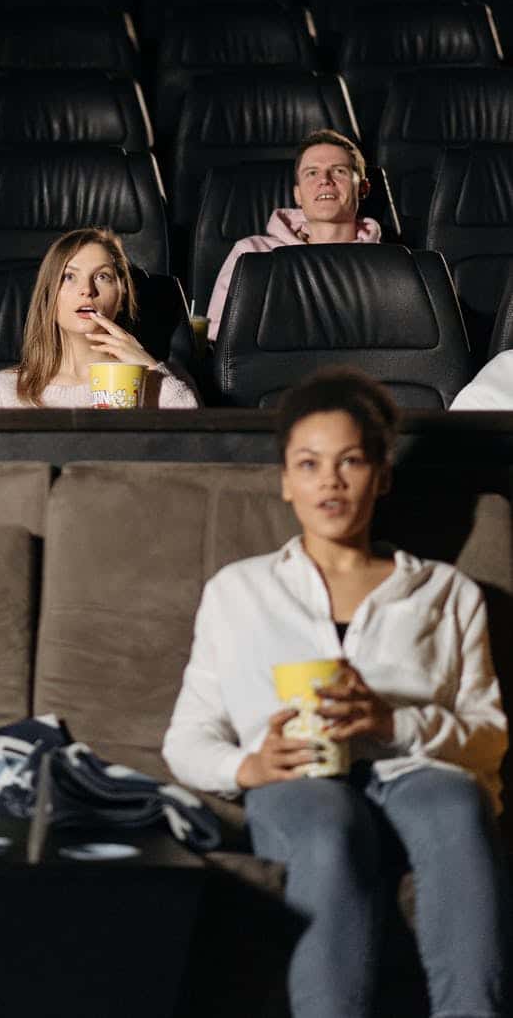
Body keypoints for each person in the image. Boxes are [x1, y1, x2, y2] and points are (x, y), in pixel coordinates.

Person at [163, 367, 510, 1018]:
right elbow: (186, 739)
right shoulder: (239, 591)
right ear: (286, 482)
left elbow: (489, 733)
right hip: (301, 785)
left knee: (459, 805)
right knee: (329, 825)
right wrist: (247, 766)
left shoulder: (445, 592)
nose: (330, 479)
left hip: (416, 771)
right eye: (310, 463)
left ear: (381, 475)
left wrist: (392, 721)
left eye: (351, 461)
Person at [0, 226, 199, 408]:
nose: (87, 290)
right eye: (69, 276)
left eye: (102, 276)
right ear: (49, 295)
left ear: (121, 296)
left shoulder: (164, 379)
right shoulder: (1, 391)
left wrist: (149, 368)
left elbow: (197, 450)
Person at [206, 130, 381, 341]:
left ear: (363, 188)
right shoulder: (252, 254)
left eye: (339, 171)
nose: (325, 180)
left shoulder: (387, 263)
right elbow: (218, 334)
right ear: (297, 194)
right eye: (312, 173)